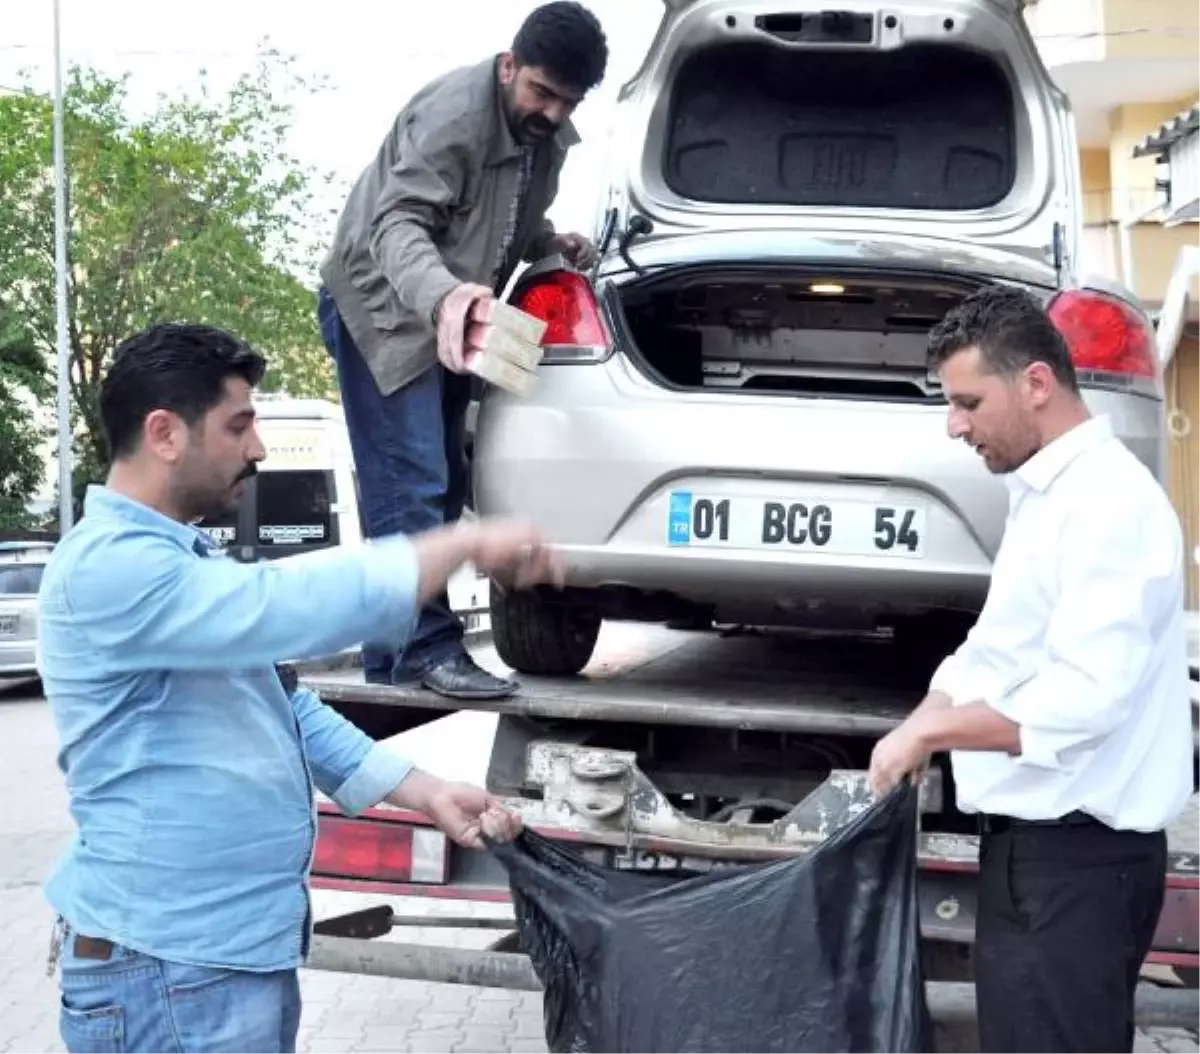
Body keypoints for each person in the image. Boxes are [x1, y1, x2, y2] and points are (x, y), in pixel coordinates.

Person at [38, 323, 561, 1054]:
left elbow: (281, 708)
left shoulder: (177, 564)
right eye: (239, 424)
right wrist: (458, 544)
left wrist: (424, 790)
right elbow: (285, 608)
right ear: (164, 433)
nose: (256, 448)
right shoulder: (111, 567)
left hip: (206, 964)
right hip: (168, 969)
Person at [867, 286, 1194, 1054]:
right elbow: (999, 647)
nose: (955, 425)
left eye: (969, 402)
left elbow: (1084, 700)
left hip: (1079, 867)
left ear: (1037, 384)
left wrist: (936, 732)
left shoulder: (1107, 505)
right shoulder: (1049, 495)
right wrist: (929, 712)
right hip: (1038, 859)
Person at [317, 2, 608, 700]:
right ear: (510, 65)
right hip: (387, 310)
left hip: (456, 316)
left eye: (567, 101)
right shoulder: (453, 116)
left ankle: (392, 661)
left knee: (442, 482)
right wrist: (446, 296)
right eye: (541, 92)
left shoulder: (545, 133)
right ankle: (424, 650)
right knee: (410, 480)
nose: (551, 112)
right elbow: (398, 224)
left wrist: (548, 242)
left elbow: (498, 215)